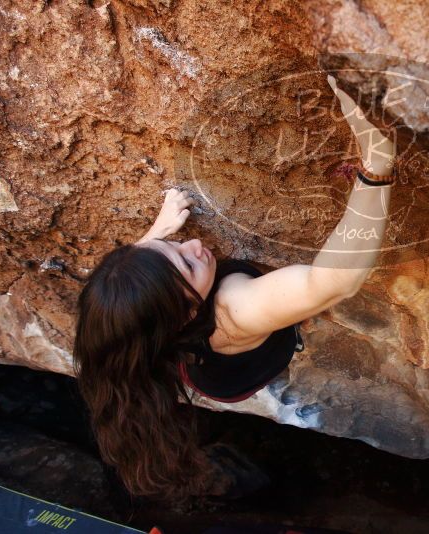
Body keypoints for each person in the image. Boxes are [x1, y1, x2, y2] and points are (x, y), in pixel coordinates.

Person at [72, 74, 399, 502]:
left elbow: (127, 291)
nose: (192, 244)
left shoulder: (130, 320)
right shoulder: (237, 308)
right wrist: (376, 167)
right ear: (185, 314)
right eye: (188, 264)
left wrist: (154, 239)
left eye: (172, 247)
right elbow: (335, 281)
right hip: (234, 377)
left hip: (193, 358)